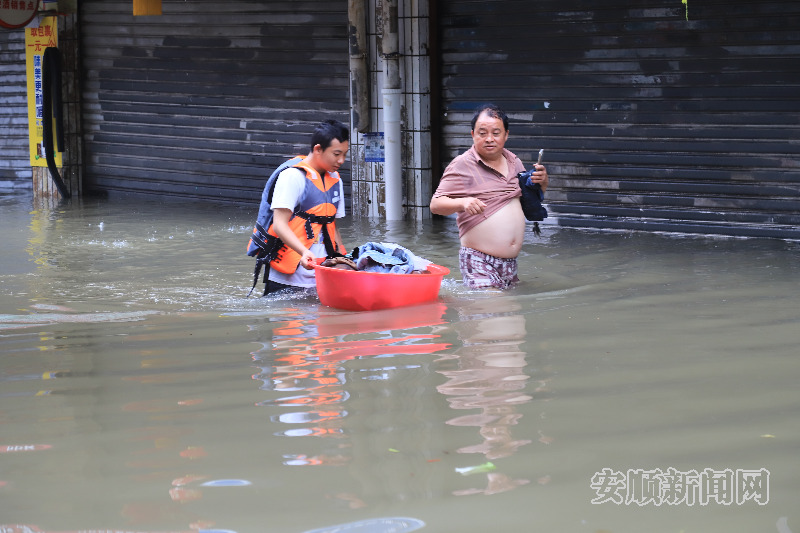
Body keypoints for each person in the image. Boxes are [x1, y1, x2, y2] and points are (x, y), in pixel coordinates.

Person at [430, 104, 549, 290]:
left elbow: (528, 200)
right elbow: (435, 204)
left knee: (509, 316)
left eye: (496, 133)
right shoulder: (461, 164)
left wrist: (542, 182)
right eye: (482, 133)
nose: (489, 139)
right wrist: (463, 202)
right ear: (472, 135)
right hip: (478, 259)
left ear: (506, 135)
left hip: (509, 264)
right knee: (493, 307)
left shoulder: (514, 162)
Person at [262, 119, 350, 294]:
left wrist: (342, 258)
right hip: (289, 278)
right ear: (318, 149)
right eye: (336, 154)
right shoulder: (292, 177)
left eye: (345, 154)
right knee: (289, 321)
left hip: (323, 274)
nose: (341, 160)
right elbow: (279, 225)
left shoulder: (336, 180)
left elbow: (332, 226)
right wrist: (303, 252)